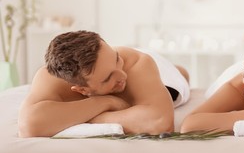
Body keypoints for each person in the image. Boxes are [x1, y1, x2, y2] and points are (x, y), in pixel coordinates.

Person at [18, 30, 190, 137]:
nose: (122, 75)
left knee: (180, 73)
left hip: (158, 71)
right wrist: (104, 102)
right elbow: (28, 126)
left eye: (117, 60)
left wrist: (82, 117)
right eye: (107, 78)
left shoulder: (136, 64)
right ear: (81, 89)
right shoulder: (49, 77)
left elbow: (159, 122)